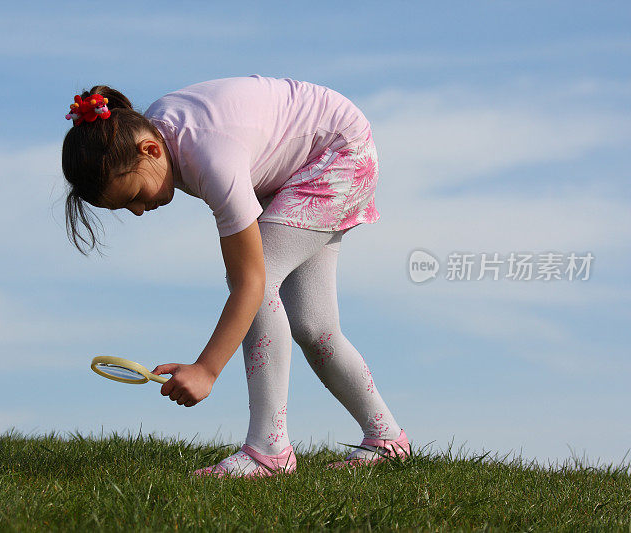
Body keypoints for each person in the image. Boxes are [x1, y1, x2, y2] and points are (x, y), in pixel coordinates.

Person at [60, 75, 410, 478]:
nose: (138, 211)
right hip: (312, 158)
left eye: (134, 196)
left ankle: (268, 451)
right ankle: (387, 439)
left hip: (338, 153)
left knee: (259, 285)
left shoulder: (211, 157)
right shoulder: (157, 133)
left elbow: (250, 282)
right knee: (314, 325)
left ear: (150, 150)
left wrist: (206, 369)